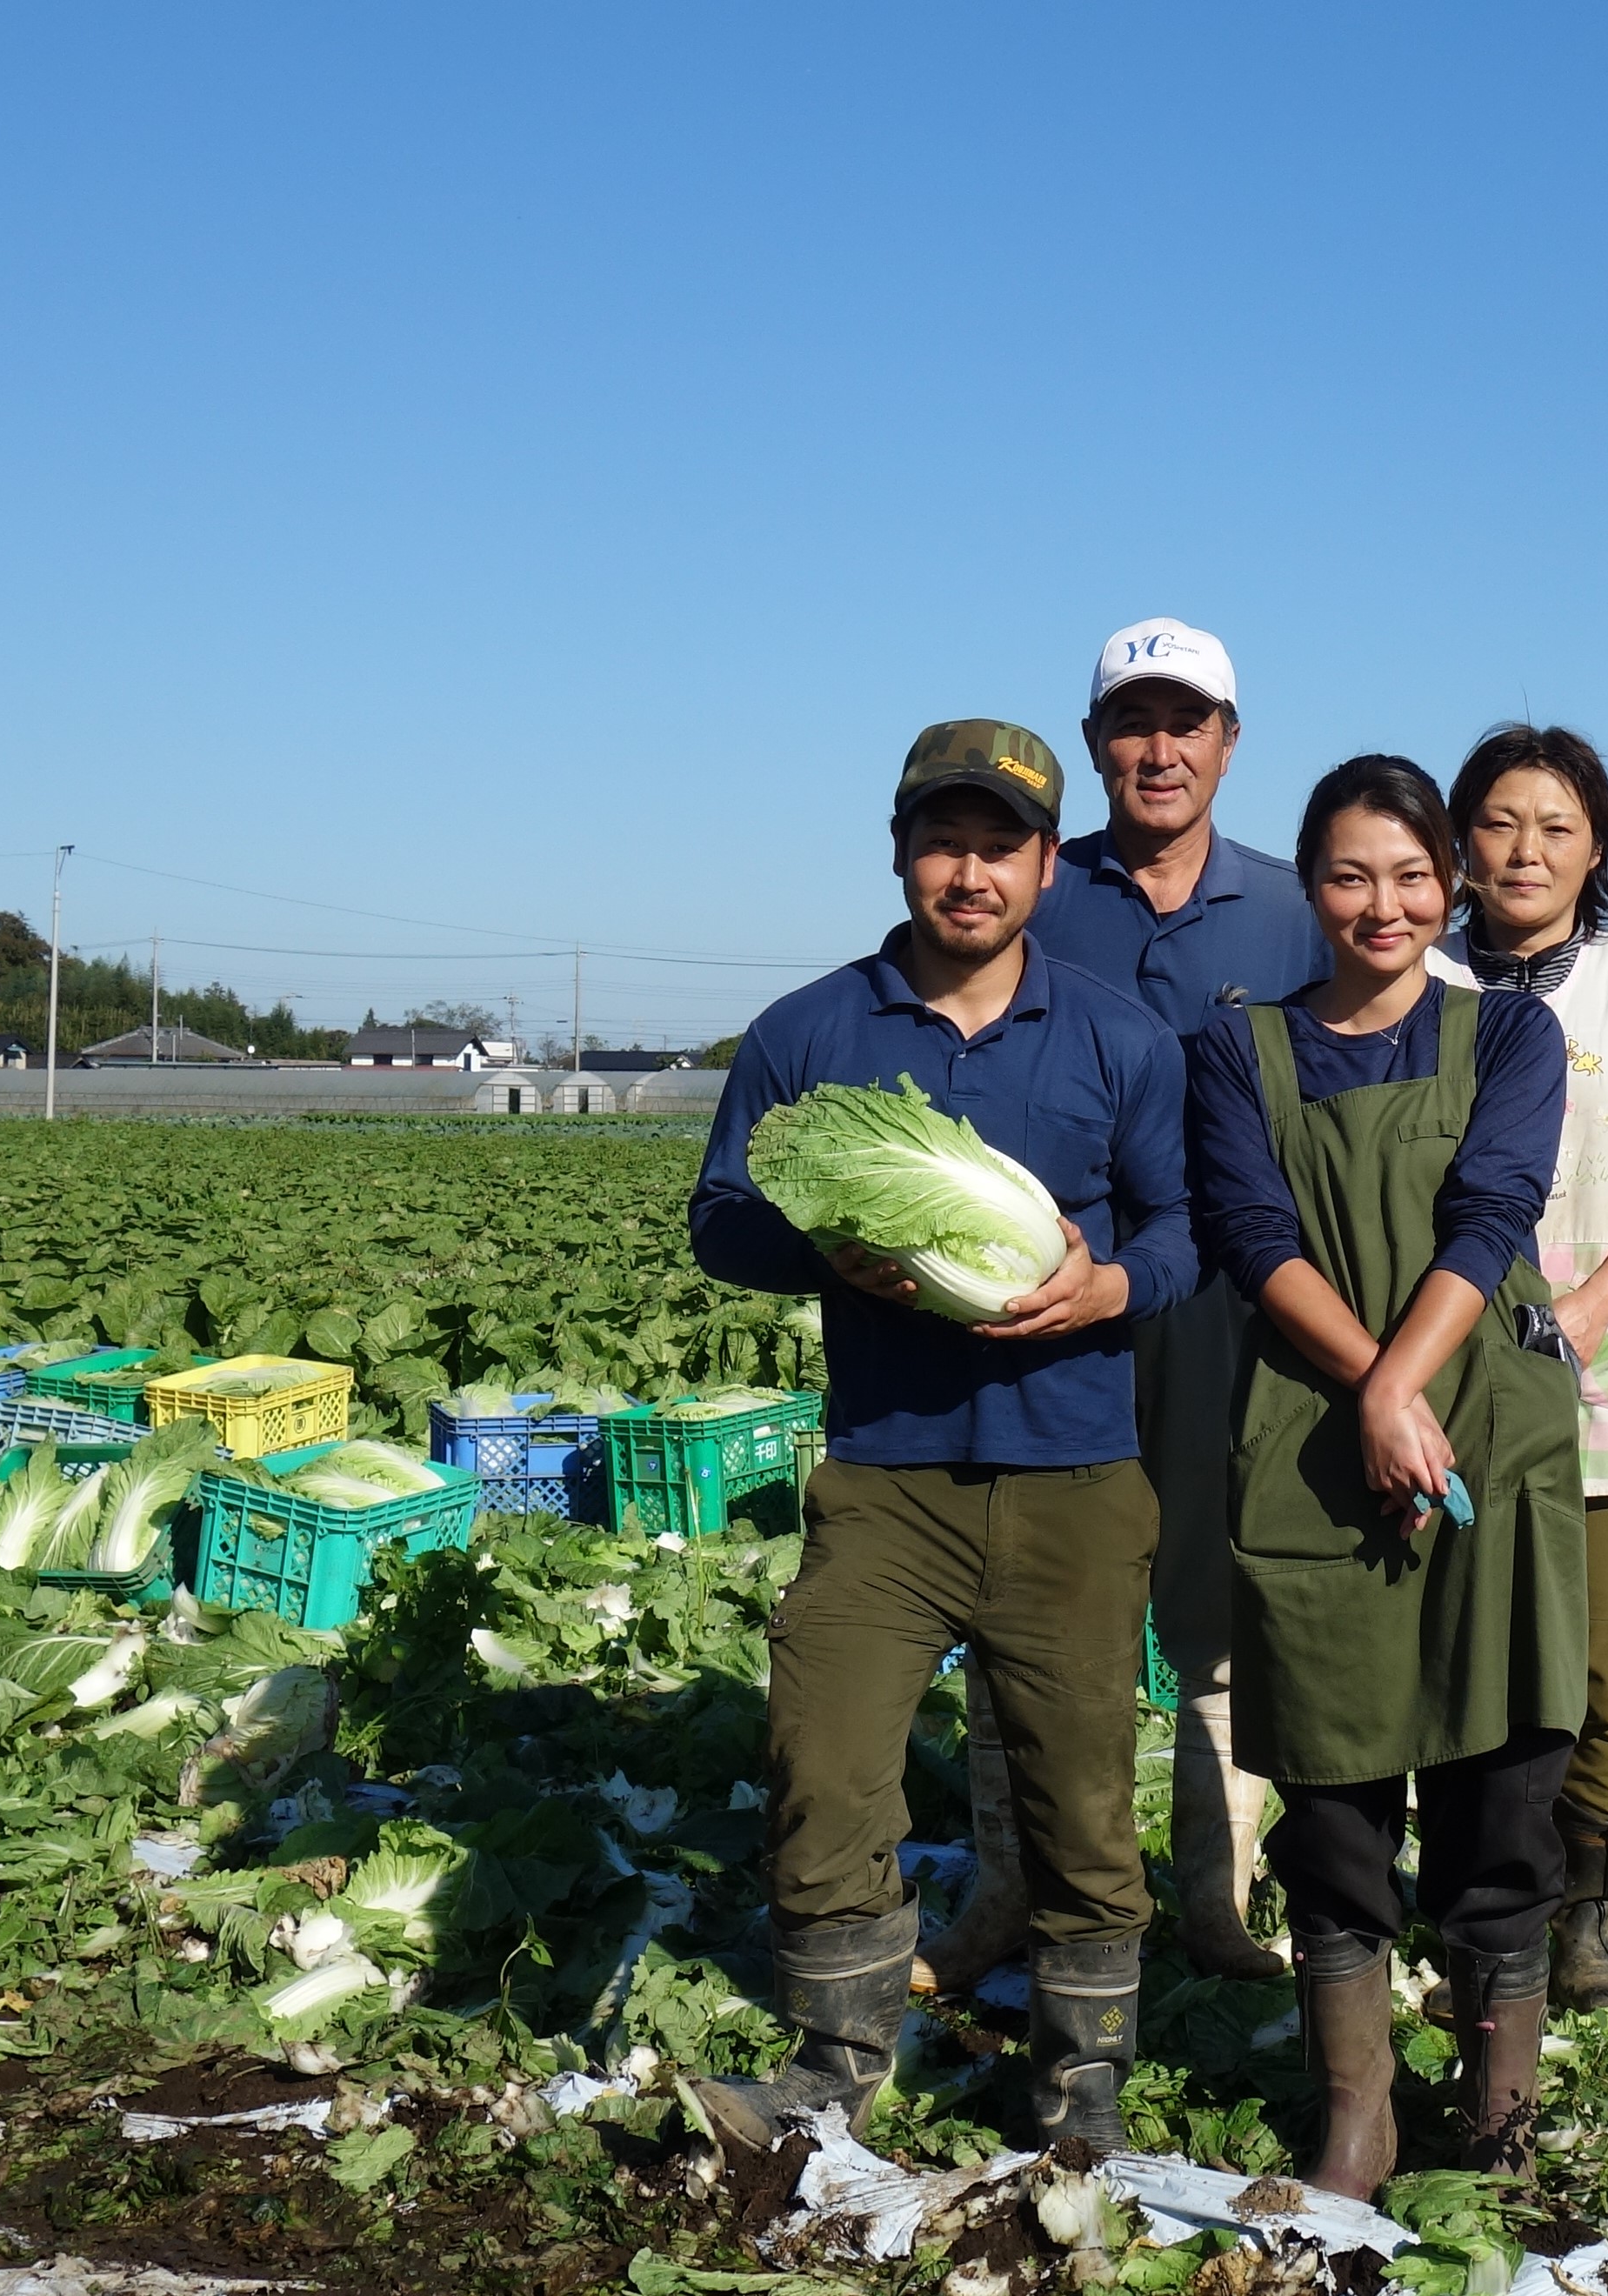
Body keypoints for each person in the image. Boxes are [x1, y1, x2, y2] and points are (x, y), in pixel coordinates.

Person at [687, 718, 1194, 2154]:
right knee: (823, 1756)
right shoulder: (808, 1030)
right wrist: (821, 1253)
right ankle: (835, 2065)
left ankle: (1079, 2087)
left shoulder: (1115, 1035)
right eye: (942, 843)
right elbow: (721, 1221)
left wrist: (1107, 1283)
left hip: (1076, 1474)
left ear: (1045, 862)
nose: (967, 874)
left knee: (1081, 1792)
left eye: (999, 847)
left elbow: (1183, 1235)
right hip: (886, 1477)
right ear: (903, 853)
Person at [1186, 755, 1588, 2195]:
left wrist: (1404, 1388)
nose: (1386, 904)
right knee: (1336, 1801)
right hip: (1312, 1444)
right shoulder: (1241, 1046)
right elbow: (1247, 1230)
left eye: (1415, 876)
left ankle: (1497, 2109)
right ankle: (1358, 2111)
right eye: (1353, 875)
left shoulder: (1509, 1038)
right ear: (1311, 884)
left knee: (1503, 1793)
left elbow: (1491, 1213)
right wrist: (1370, 1393)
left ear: (1453, 886)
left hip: (1486, 1432)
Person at [918, 617, 1326, 1993]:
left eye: (1187, 721)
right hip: (1045, 1320)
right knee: (1022, 1606)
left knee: (1218, 1613)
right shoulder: (1035, 886)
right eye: (1132, 723)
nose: (1160, 748)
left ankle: (1213, 1903)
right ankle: (1005, 1894)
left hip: (1234, 1314)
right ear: (1094, 745)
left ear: (1227, 741)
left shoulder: (1290, 908)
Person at [1431, 726, 1608, 2014]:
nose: (1525, 850)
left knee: (1605, 1665)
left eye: (1554, 826)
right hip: (1447, 1368)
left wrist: (1595, 1302)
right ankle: (1472, 1892)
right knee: (1456, 1652)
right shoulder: (1417, 970)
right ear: (1459, 839)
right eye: (1499, 823)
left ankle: (1591, 1912)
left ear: (1594, 845)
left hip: (1607, 1360)